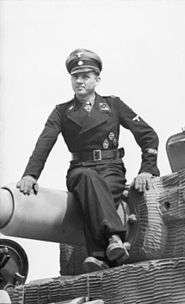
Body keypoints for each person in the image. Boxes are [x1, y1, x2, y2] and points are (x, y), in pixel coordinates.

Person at [16, 48, 160, 272]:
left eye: (86, 76)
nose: (80, 82)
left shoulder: (113, 105)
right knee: (88, 178)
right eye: (75, 77)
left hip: (112, 170)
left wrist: (147, 169)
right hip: (80, 170)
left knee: (99, 189)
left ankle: (99, 255)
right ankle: (113, 237)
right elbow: (44, 143)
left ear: (97, 79)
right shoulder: (61, 112)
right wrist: (30, 175)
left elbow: (148, 135)